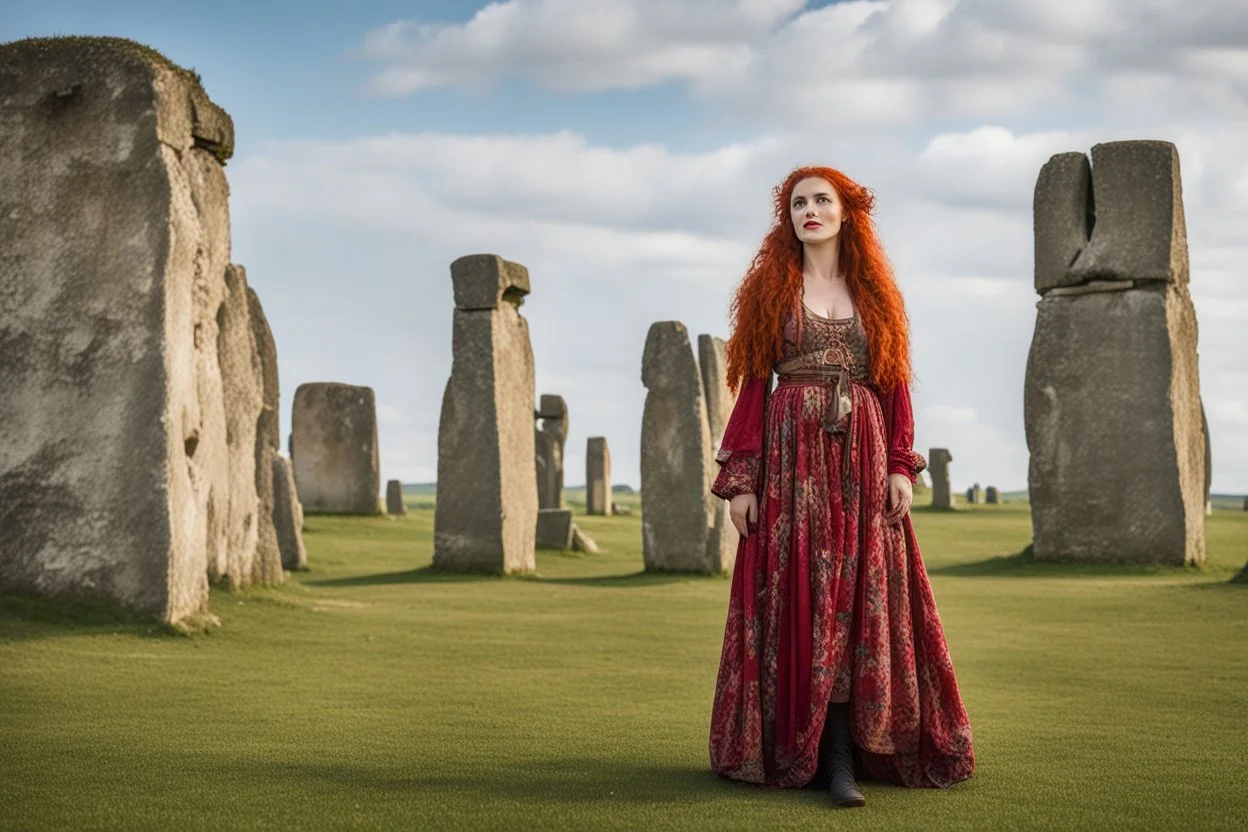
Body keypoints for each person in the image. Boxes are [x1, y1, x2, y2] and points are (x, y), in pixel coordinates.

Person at [708, 166, 975, 808]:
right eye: (799, 202)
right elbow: (752, 389)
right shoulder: (773, 290)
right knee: (804, 596)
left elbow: (895, 384)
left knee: (859, 600)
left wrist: (900, 468)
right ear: (788, 217)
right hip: (790, 467)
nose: (810, 210)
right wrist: (741, 480)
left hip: (864, 464)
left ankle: (851, 750)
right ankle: (821, 754)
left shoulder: (876, 294)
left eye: (822, 200)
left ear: (846, 212)